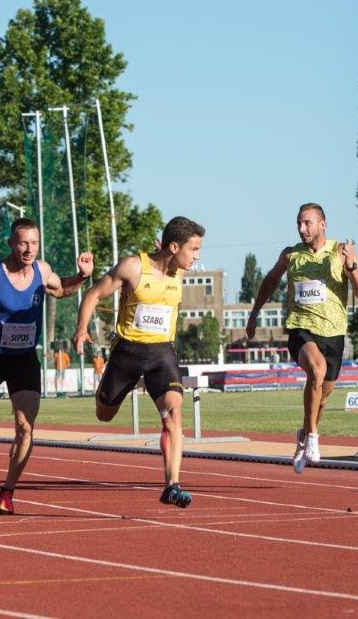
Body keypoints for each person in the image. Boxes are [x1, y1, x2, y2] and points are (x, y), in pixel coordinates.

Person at [0, 218, 93, 515]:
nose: (29, 249)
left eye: (34, 243)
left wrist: (81, 276)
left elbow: (62, 290)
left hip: (25, 357)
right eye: (23, 243)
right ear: (11, 243)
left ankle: (7, 492)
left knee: (26, 428)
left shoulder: (42, 270)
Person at [72, 216, 204, 509]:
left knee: (173, 413)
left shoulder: (179, 271)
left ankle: (172, 485)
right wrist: (81, 329)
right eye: (193, 250)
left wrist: (170, 257)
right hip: (127, 354)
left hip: (162, 353)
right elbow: (94, 294)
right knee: (104, 414)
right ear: (173, 246)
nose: (197, 256)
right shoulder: (132, 267)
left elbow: (170, 264)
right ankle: (109, 390)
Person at [246, 203, 358, 473]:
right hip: (300, 327)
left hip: (334, 333)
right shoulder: (291, 255)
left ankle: (304, 432)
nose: (302, 229)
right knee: (316, 369)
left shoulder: (339, 251)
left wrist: (352, 266)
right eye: (299, 224)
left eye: (307, 223)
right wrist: (255, 312)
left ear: (322, 224)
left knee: (322, 397)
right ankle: (313, 437)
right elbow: (270, 280)